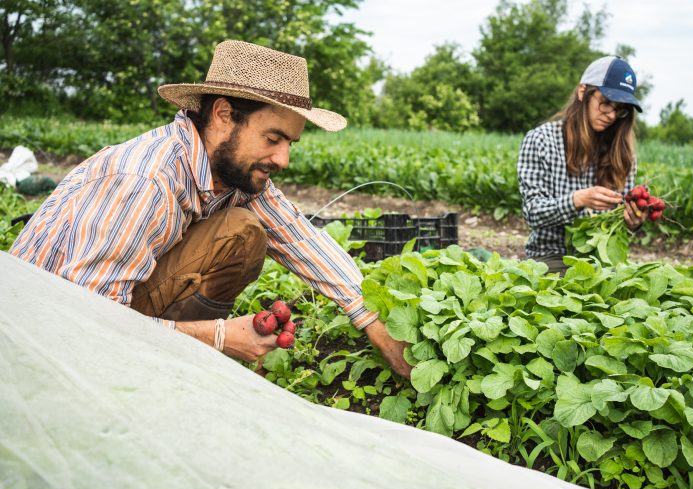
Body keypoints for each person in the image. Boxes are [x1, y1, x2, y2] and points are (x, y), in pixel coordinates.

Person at [9, 40, 411, 378]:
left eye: (290, 142)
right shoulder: (149, 181)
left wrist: (373, 319)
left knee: (242, 231)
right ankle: (153, 370)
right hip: (37, 341)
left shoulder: (231, 174)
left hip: (80, 320)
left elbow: (299, 238)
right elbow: (83, 322)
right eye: (273, 137)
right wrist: (220, 336)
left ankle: (167, 365)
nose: (284, 158)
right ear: (222, 115)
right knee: (238, 230)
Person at [517, 55, 648, 275]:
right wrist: (578, 200)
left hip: (602, 262)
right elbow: (532, 212)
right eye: (605, 103)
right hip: (550, 257)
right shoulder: (541, 140)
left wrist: (632, 221)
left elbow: (619, 229)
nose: (612, 115)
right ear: (582, 93)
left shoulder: (622, 154)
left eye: (620, 109)